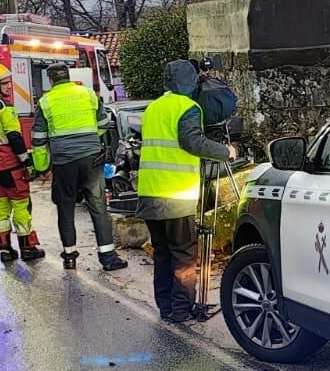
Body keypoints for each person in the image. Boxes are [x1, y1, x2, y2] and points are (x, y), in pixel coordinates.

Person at [137, 59, 235, 323]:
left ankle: (166, 307)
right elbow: (192, 142)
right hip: (176, 196)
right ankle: (182, 310)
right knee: (183, 256)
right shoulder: (188, 107)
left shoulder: (153, 108)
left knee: (162, 253)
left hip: (149, 193)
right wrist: (225, 152)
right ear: (191, 81)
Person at [37, 62, 127, 271]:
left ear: (51, 80)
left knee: (65, 206)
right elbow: (104, 123)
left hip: (64, 162)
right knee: (98, 206)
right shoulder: (87, 94)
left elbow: (39, 140)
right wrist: (89, 140)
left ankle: (70, 256)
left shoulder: (45, 102)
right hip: (91, 159)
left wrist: (42, 168)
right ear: (68, 76)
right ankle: (108, 257)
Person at [0, 62, 46, 263]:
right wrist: (27, 162)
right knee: (21, 205)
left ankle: (5, 249)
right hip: (9, 164)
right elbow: (14, 137)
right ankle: (28, 248)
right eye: (4, 83)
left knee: (1, 205)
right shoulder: (5, 108)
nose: (8, 87)